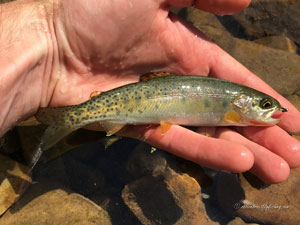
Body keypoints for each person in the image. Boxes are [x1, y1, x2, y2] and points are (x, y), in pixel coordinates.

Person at [0, 0, 299, 184]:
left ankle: (64, 119)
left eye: (264, 105)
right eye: (263, 104)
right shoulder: (233, 107)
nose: (269, 111)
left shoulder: (236, 108)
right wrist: (55, 34)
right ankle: (67, 119)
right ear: (242, 104)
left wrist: (52, 37)